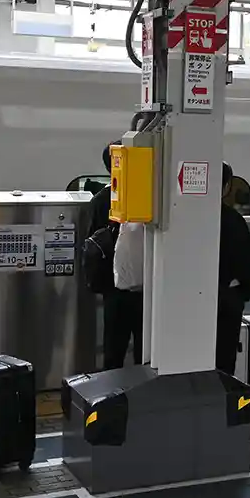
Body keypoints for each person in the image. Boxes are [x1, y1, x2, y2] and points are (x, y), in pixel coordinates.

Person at [90, 143, 142, 370]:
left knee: (114, 348)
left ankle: (110, 395)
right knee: (145, 348)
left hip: (113, 288)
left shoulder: (101, 200)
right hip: (144, 287)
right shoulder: (144, 195)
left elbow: (91, 242)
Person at [216, 163, 250, 375]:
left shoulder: (185, 218)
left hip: (191, 300)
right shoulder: (234, 220)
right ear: (226, 188)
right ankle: (223, 403)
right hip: (228, 299)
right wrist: (245, 291)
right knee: (224, 360)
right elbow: (247, 260)